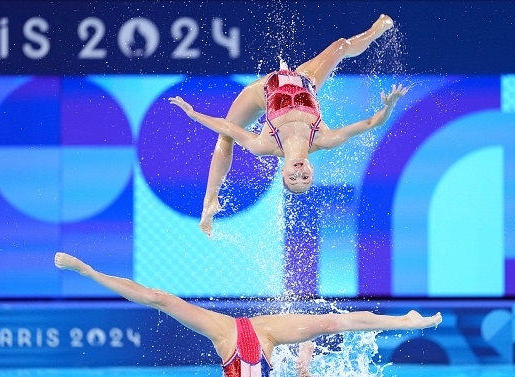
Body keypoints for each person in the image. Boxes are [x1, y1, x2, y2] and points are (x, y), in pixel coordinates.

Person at [168, 14, 406, 237]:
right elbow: (371, 123)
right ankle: (376, 30)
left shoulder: (265, 144)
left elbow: (226, 127)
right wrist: (389, 106)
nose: (299, 173)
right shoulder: (324, 139)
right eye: (305, 178)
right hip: (305, 81)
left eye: (294, 178)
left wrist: (193, 113)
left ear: (283, 173)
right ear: (312, 171)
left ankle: (210, 199)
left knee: (225, 139)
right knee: (341, 46)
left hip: (262, 92)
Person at [54, 252, 442, 377]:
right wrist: (304, 362)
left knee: (162, 300)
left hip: (230, 341)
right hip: (266, 338)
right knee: (327, 324)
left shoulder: (225, 339)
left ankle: (406, 321)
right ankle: (406, 322)